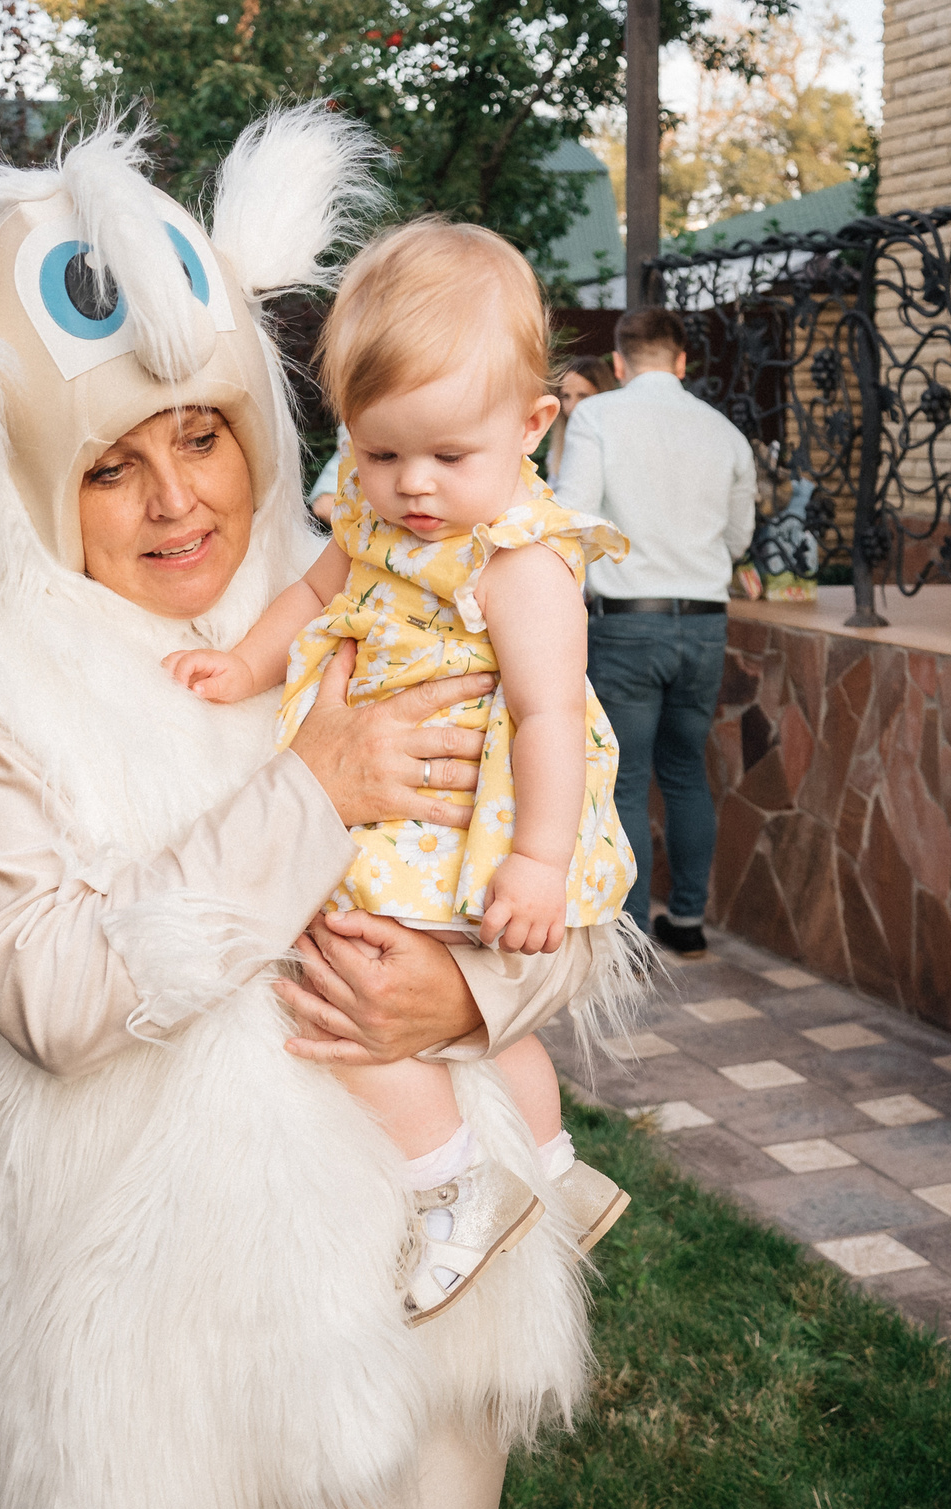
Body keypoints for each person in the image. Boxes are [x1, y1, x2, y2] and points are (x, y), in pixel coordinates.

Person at [0, 109, 600, 1509]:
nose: (177, 498)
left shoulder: (377, 571)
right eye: (109, 463)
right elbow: (49, 996)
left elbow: (556, 873)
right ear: (36, 468)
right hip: (177, 1336)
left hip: (432, 1276)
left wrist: (461, 1002)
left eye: (201, 433)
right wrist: (310, 790)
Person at [165, 218, 637, 1324]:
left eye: (446, 456)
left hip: (466, 822)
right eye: (379, 454)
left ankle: (453, 1183)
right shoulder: (378, 522)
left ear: (530, 425)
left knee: (340, 984)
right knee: (487, 1023)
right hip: (398, 800)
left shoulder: (518, 557)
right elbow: (313, 595)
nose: (411, 486)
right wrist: (242, 662)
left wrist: (537, 858)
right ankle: (554, 1167)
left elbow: (548, 713)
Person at [551, 306, 756, 959]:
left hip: (628, 624)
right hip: (703, 623)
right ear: (682, 362)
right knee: (685, 768)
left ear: (617, 364)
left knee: (627, 778)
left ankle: (632, 938)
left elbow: (573, 514)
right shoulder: (725, 432)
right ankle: (688, 922)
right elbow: (739, 537)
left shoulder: (599, 416)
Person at [540, 354, 616, 486]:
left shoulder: (615, 447)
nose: (572, 406)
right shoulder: (557, 450)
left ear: (602, 394)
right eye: (566, 396)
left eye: (582, 396)